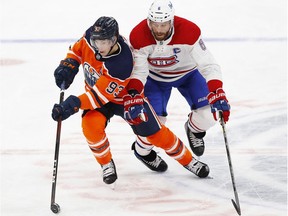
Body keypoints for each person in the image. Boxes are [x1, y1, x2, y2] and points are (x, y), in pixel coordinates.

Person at [51, 16, 210, 185]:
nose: (98, 46)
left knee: (156, 135)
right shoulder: (90, 37)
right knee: (91, 127)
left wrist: (73, 104)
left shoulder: (122, 62)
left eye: (103, 42)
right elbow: (77, 50)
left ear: (113, 40)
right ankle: (106, 164)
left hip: (126, 100)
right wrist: (69, 64)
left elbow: (99, 97)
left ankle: (188, 160)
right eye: (96, 41)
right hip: (97, 97)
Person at [129, 0, 230, 163]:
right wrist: (133, 93)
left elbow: (209, 64)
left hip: (188, 75)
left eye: (164, 24)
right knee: (151, 124)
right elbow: (139, 72)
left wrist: (217, 91)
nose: (159, 29)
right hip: (155, 79)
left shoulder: (189, 31)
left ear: (172, 21)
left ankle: (194, 129)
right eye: (155, 24)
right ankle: (142, 152)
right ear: (149, 21)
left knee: (209, 114)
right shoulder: (138, 35)